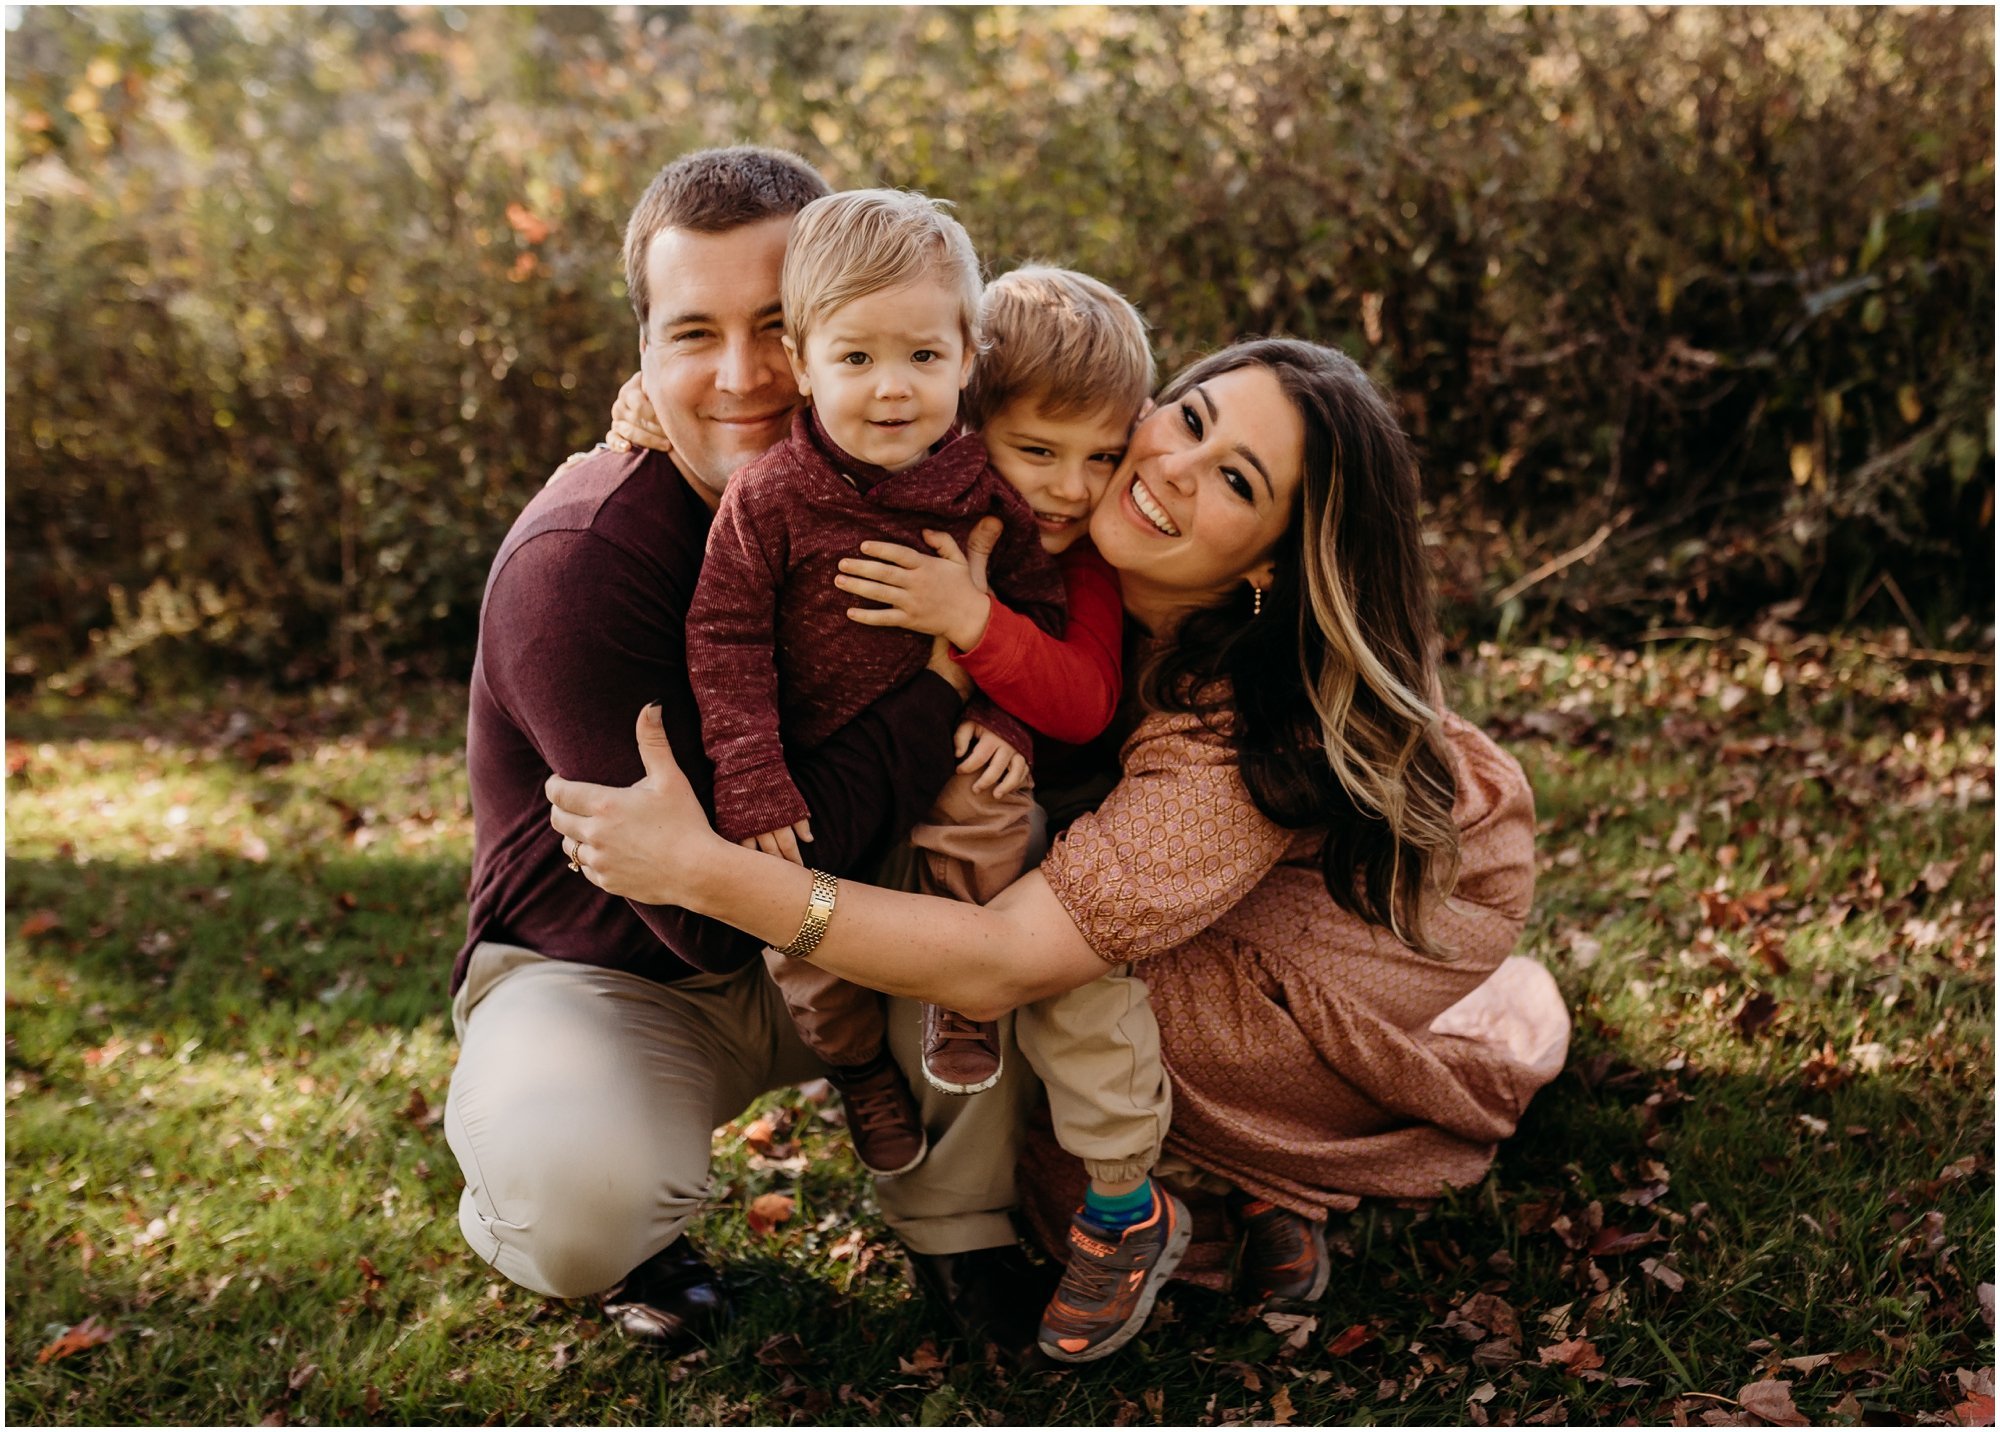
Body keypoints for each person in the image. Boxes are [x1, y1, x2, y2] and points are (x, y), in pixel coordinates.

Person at [548, 337, 1573, 1332]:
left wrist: (709, 873)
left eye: (1236, 481)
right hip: (1175, 857)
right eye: (1188, 417)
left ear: (1271, 562)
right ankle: (1217, 1182)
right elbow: (911, 359)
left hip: (1359, 926)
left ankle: (1261, 1162)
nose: (1169, 467)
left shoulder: (1236, 732)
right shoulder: (1068, 485)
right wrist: (698, 418)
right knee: (1029, 1006)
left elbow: (1000, 960)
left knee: (1072, 1021)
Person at [444, 145, 1052, 1359]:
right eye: (691, 334)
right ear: (639, 357)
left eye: (776, 325)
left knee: (1032, 912)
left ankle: (965, 1234)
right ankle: (590, 1215)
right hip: (628, 971)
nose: (740, 376)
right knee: (581, 1198)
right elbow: (712, 915)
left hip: (863, 903)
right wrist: (941, 681)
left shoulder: (912, 448)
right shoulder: (584, 561)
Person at [683, 188, 1065, 1181]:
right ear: (802, 363)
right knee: (799, 928)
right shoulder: (770, 494)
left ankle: (960, 995)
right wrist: (751, 771)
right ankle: (853, 1067)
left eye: (922, 357)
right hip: (807, 766)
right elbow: (722, 634)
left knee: (990, 806)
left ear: (965, 360)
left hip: (941, 742)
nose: (891, 389)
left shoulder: (982, 486)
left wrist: (1006, 721)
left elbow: (1035, 609)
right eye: (856, 358)